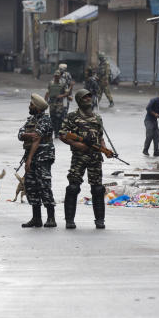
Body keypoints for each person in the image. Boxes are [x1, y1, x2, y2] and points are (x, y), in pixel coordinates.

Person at [59, 89, 112, 230]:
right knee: (73, 187)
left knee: (98, 189)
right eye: (84, 97)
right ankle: (69, 220)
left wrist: (105, 150)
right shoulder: (71, 117)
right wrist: (78, 145)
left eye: (89, 96)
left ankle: (100, 220)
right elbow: (63, 135)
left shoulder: (97, 118)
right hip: (79, 157)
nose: (88, 99)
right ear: (79, 100)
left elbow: (100, 137)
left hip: (95, 157)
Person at [17, 93, 57, 228]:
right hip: (32, 158)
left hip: (43, 157)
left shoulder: (45, 120)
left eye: (31, 105)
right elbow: (20, 134)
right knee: (30, 186)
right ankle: (36, 218)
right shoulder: (31, 120)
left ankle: (51, 217)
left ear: (38, 107)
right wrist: (28, 135)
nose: (29, 106)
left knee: (44, 186)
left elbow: (37, 139)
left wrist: (28, 160)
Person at [46, 70, 68, 136]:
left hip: (59, 104)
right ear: (54, 76)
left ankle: (58, 131)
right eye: (55, 76)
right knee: (52, 117)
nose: (56, 77)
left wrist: (62, 95)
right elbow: (47, 92)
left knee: (59, 117)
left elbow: (67, 93)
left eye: (58, 76)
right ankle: (55, 131)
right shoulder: (50, 83)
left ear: (60, 76)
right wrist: (45, 101)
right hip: (52, 103)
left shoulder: (63, 84)